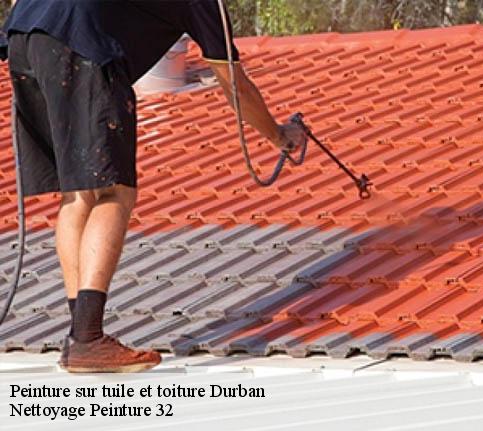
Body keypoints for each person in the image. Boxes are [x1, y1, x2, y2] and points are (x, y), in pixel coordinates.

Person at [1, 0, 307, 373]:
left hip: (25, 37)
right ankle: (87, 339)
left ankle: (80, 335)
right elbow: (235, 86)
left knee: (78, 192)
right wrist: (280, 136)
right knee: (115, 189)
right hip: (80, 43)